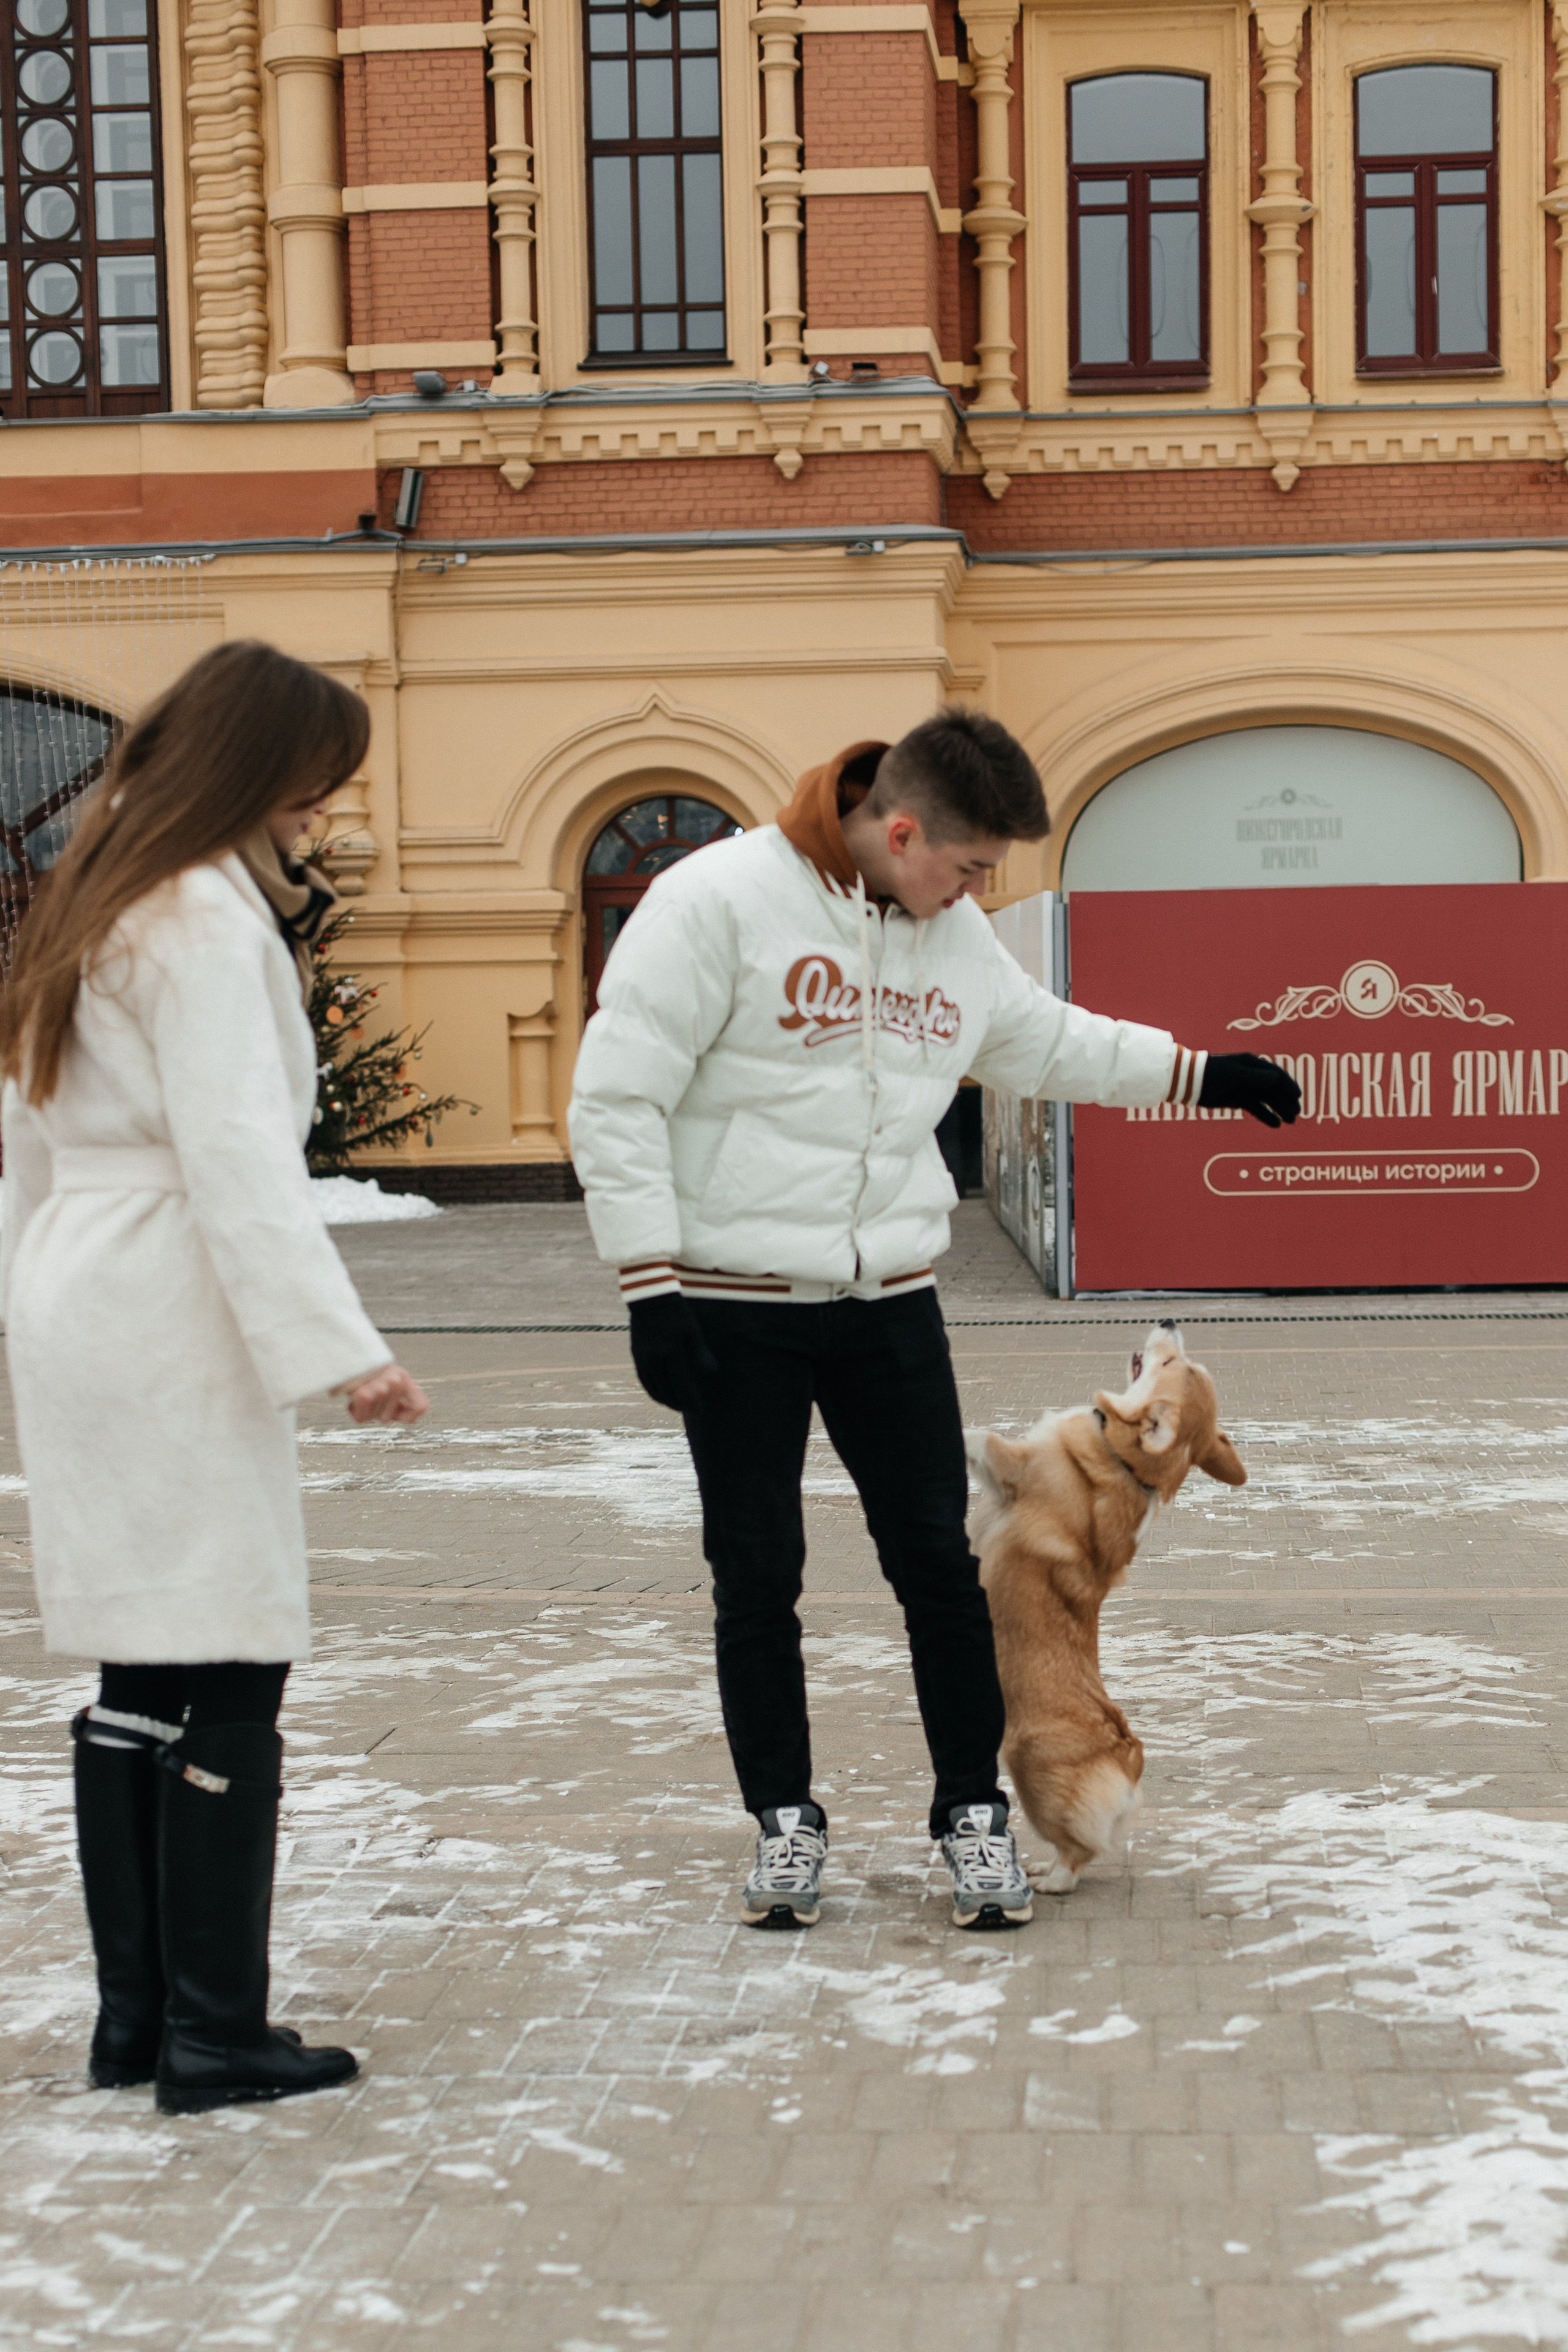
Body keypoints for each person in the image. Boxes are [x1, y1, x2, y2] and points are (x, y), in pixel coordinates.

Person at [570, 713, 1298, 1931]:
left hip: (888, 1304)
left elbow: (1047, 1041)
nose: (974, 896)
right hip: (734, 1308)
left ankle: (971, 1813)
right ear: (901, 832)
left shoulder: (949, 936)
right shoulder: (715, 903)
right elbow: (618, 1092)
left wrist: (1201, 1074)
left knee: (942, 1574)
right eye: (966, 868)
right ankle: (784, 1824)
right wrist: (648, 1284)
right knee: (757, 1574)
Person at [0, 640, 429, 2113]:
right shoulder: (198, 913)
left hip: (82, 1279)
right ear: (257, 769)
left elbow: (25, 1135)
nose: (322, 810)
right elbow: (239, 1155)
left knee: (144, 1658)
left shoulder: (91, 896)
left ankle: (141, 2025)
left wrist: (30, 1297)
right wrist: (341, 1352)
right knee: (233, 1652)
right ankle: (214, 2032)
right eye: (315, 783)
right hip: (173, 1288)